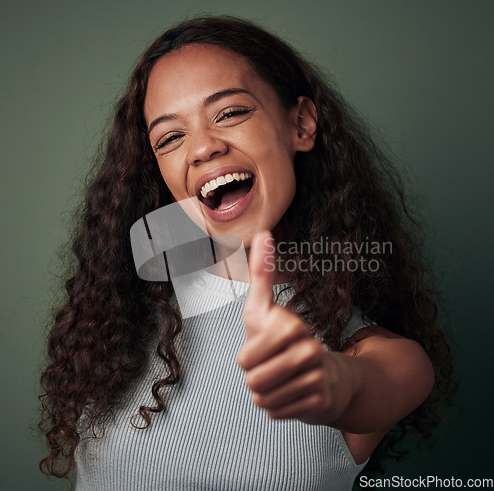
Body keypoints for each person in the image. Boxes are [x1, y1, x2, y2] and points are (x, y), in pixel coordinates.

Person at [39, 16, 454, 490]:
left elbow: (366, 385)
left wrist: (331, 381)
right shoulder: (117, 320)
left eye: (230, 113)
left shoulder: (376, 352)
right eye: (170, 138)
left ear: (300, 124)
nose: (202, 148)